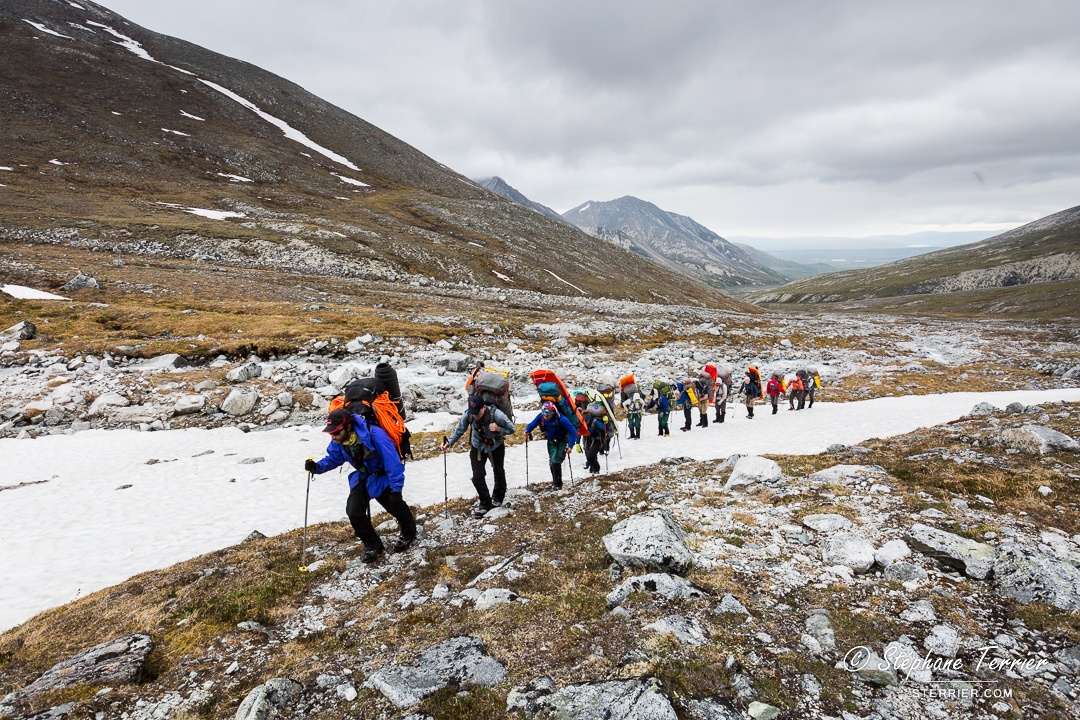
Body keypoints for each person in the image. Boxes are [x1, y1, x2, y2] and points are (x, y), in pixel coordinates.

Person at [305, 408, 416, 563]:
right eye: (331, 433)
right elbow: (333, 458)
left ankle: (409, 533)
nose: (333, 436)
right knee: (354, 512)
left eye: (336, 432)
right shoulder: (340, 441)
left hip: (383, 476)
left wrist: (396, 489)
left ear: (348, 426)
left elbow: (393, 463)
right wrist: (317, 467)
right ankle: (373, 545)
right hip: (364, 476)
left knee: (395, 505)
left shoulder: (375, 435)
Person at [442, 394, 515, 517]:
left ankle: (497, 498)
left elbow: (511, 428)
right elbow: (459, 430)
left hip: (496, 446)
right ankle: (485, 503)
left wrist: (498, 429)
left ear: (484, 407)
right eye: (473, 412)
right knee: (477, 476)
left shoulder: (497, 415)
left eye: (477, 412)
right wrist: (449, 443)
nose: (475, 415)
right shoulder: (468, 415)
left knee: (498, 471)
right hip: (477, 446)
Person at [525, 401, 578, 490]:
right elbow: (533, 423)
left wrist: (570, 445)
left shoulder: (562, 419)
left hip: (562, 441)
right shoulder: (541, 417)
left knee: (556, 461)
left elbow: (573, 431)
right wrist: (527, 430)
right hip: (551, 442)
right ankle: (555, 482)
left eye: (548, 415)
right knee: (551, 462)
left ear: (553, 412)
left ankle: (558, 485)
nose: (546, 417)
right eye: (545, 415)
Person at [582, 403, 607, 474]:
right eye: (584, 421)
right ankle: (593, 468)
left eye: (587, 420)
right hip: (587, 440)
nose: (586, 422)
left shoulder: (595, 422)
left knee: (590, 455)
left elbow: (604, 428)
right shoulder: (582, 423)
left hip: (597, 440)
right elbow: (579, 432)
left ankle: (596, 468)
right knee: (589, 456)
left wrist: (606, 422)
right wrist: (577, 443)